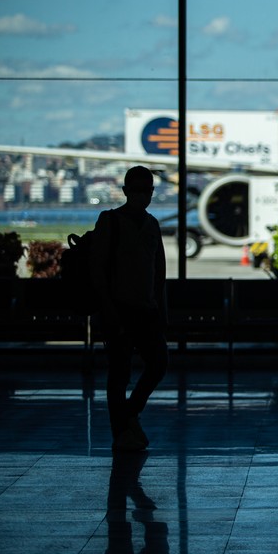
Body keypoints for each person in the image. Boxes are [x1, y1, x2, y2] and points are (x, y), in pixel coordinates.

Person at [92, 166, 168, 452]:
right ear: (125, 192)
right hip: (119, 308)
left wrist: (161, 310)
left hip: (145, 308)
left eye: (146, 190)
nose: (141, 195)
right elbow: (98, 269)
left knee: (158, 364)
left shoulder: (152, 225)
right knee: (121, 373)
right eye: (136, 189)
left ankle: (126, 417)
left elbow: (159, 272)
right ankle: (122, 431)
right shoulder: (110, 221)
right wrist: (107, 307)